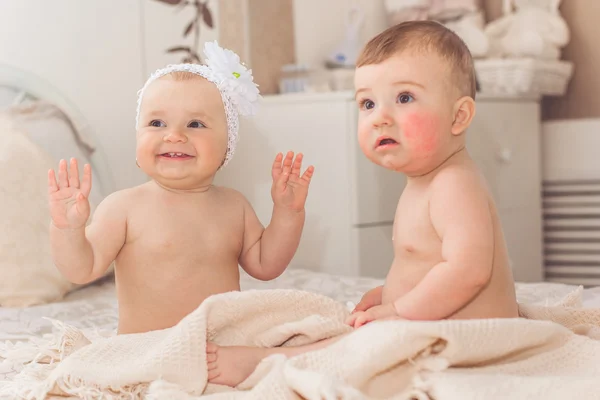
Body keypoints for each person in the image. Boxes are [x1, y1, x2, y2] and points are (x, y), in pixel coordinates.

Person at [206, 20, 519, 387]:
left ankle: (262, 363)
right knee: (353, 339)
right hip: (439, 327)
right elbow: (425, 262)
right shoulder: (426, 182)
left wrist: (400, 309)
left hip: (467, 342)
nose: (380, 117)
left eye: (404, 98)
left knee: (348, 349)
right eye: (367, 103)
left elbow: (468, 271)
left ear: (459, 116)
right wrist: (389, 295)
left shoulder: (454, 184)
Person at [48, 41, 314, 335]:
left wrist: (288, 213)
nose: (174, 135)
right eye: (157, 122)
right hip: (148, 350)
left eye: (195, 124)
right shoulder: (123, 208)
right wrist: (68, 230)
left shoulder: (234, 206)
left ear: (227, 146)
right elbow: (81, 269)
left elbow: (267, 265)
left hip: (219, 352)